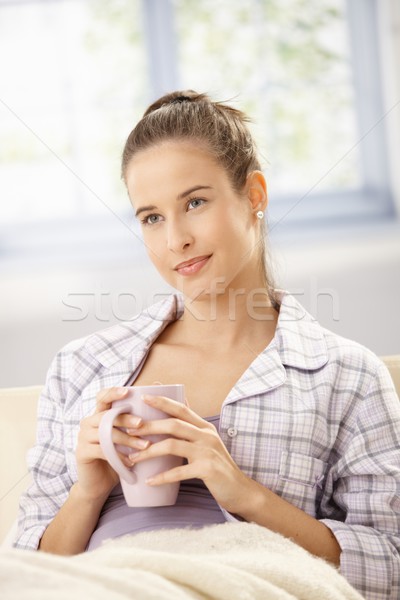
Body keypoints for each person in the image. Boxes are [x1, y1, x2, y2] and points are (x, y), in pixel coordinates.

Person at [14, 90, 400, 599]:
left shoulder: (346, 375)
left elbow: (390, 566)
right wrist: (89, 493)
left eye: (195, 203)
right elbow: (29, 572)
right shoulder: (82, 365)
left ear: (254, 196)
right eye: (151, 217)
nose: (176, 240)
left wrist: (246, 495)